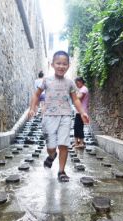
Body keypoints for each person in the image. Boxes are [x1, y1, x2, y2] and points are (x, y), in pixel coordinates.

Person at [28, 50, 89, 182]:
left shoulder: (70, 83)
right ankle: (51, 156)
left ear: (68, 65)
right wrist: (33, 108)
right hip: (49, 116)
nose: (61, 66)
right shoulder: (46, 80)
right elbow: (37, 95)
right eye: (58, 63)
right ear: (52, 65)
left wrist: (82, 112)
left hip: (65, 116)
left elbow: (76, 100)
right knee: (51, 146)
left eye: (64, 64)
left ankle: (61, 171)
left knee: (63, 144)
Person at [73, 77, 89, 149]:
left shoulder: (84, 89)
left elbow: (79, 97)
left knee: (79, 127)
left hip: (82, 111)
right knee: (76, 127)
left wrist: (73, 95)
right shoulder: (80, 89)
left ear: (81, 81)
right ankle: (76, 143)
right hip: (78, 111)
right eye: (76, 83)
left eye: (77, 83)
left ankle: (81, 143)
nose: (76, 84)